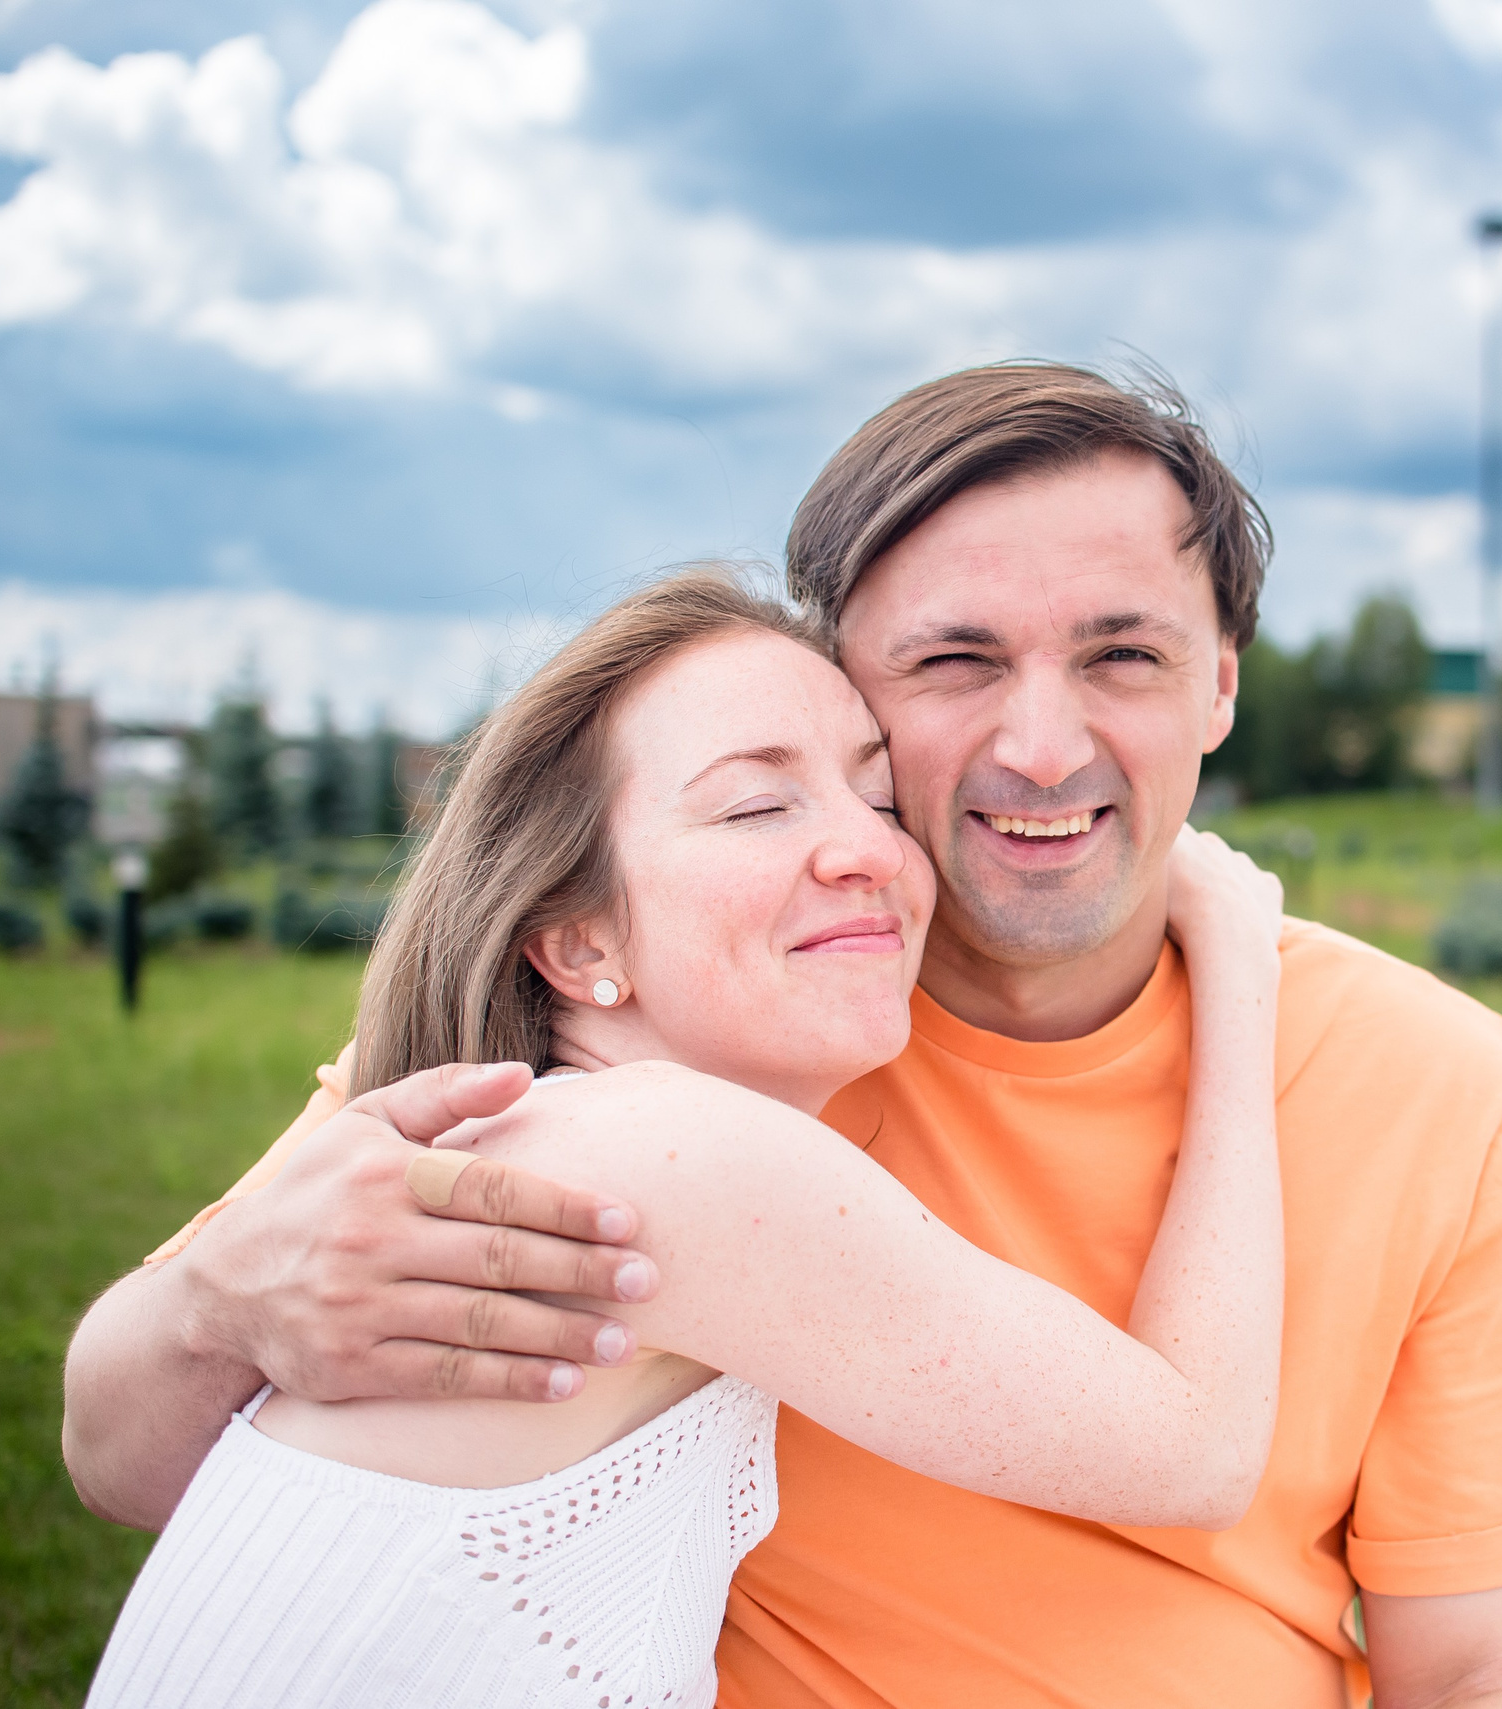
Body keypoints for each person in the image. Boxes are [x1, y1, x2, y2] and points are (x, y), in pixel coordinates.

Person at [66, 362, 1502, 1709]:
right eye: (953, 661)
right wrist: (213, 1298)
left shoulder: (1435, 1078)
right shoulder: (676, 1058)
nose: (1039, 744)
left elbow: (1481, 1665)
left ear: (1221, 682)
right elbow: (127, 1446)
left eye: (1122, 654)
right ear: (845, 682)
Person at [83, 569, 1290, 1708]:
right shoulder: (665, 1158)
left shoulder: (535, 1132)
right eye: (756, 804)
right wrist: (1235, 959)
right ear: (580, 944)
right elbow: (1197, 1453)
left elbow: (131, 1474)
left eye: (878, 797)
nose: (870, 847)